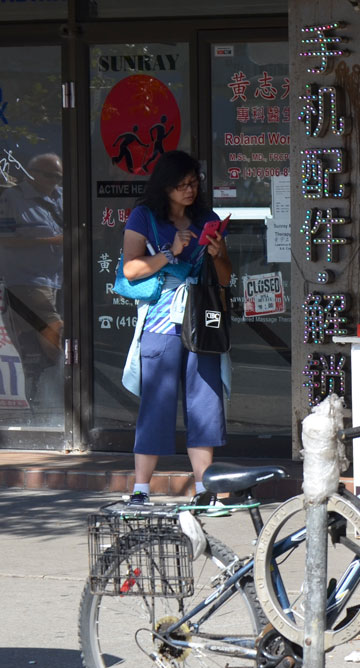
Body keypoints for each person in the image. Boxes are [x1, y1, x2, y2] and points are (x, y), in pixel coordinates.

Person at [119, 150, 231, 505]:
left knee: (205, 405)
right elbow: (130, 270)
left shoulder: (207, 218)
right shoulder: (145, 217)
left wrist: (216, 254)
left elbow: (226, 277)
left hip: (201, 324)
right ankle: (140, 490)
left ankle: (204, 490)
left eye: (194, 183)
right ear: (164, 187)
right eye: (182, 185)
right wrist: (168, 253)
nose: (189, 190)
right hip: (161, 323)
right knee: (157, 404)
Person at [0, 153, 64, 411]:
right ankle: (78, 385)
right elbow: (4, 239)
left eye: (59, 177)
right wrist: (51, 242)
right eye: (50, 176)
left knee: (33, 346)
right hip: (26, 280)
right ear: (31, 173)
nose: (54, 182)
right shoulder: (11, 199)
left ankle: (39, 399)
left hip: (58, 279)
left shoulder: (62, 197)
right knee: (55, 331)